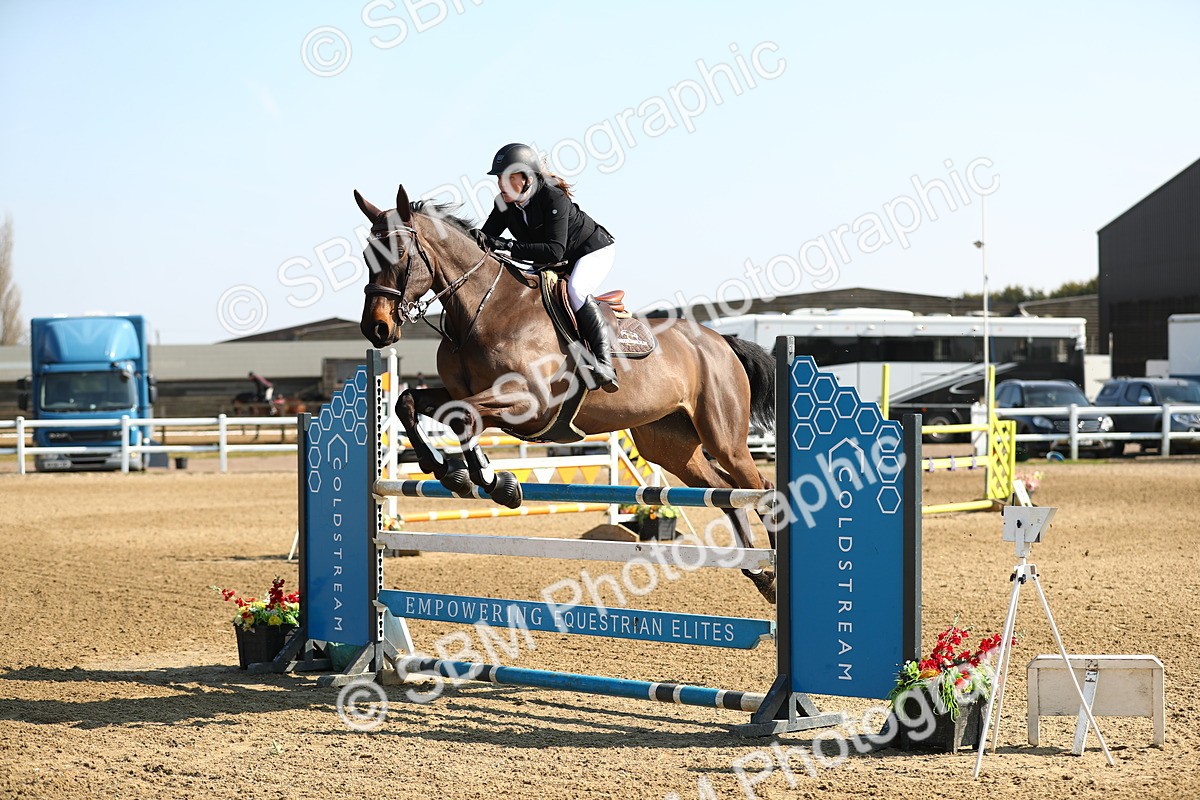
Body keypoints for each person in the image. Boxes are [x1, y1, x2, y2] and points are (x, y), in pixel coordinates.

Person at [471, 142, 619, 391]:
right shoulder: (503, 203)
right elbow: (486, 239)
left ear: (528, 178)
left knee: (576, 291)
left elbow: (554, 250)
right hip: (552, 260)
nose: (500, 184)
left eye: (508, 178)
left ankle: (604, 364)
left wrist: (505, 245)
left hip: (590, 251)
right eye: (498, 178)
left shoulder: (552, 196)